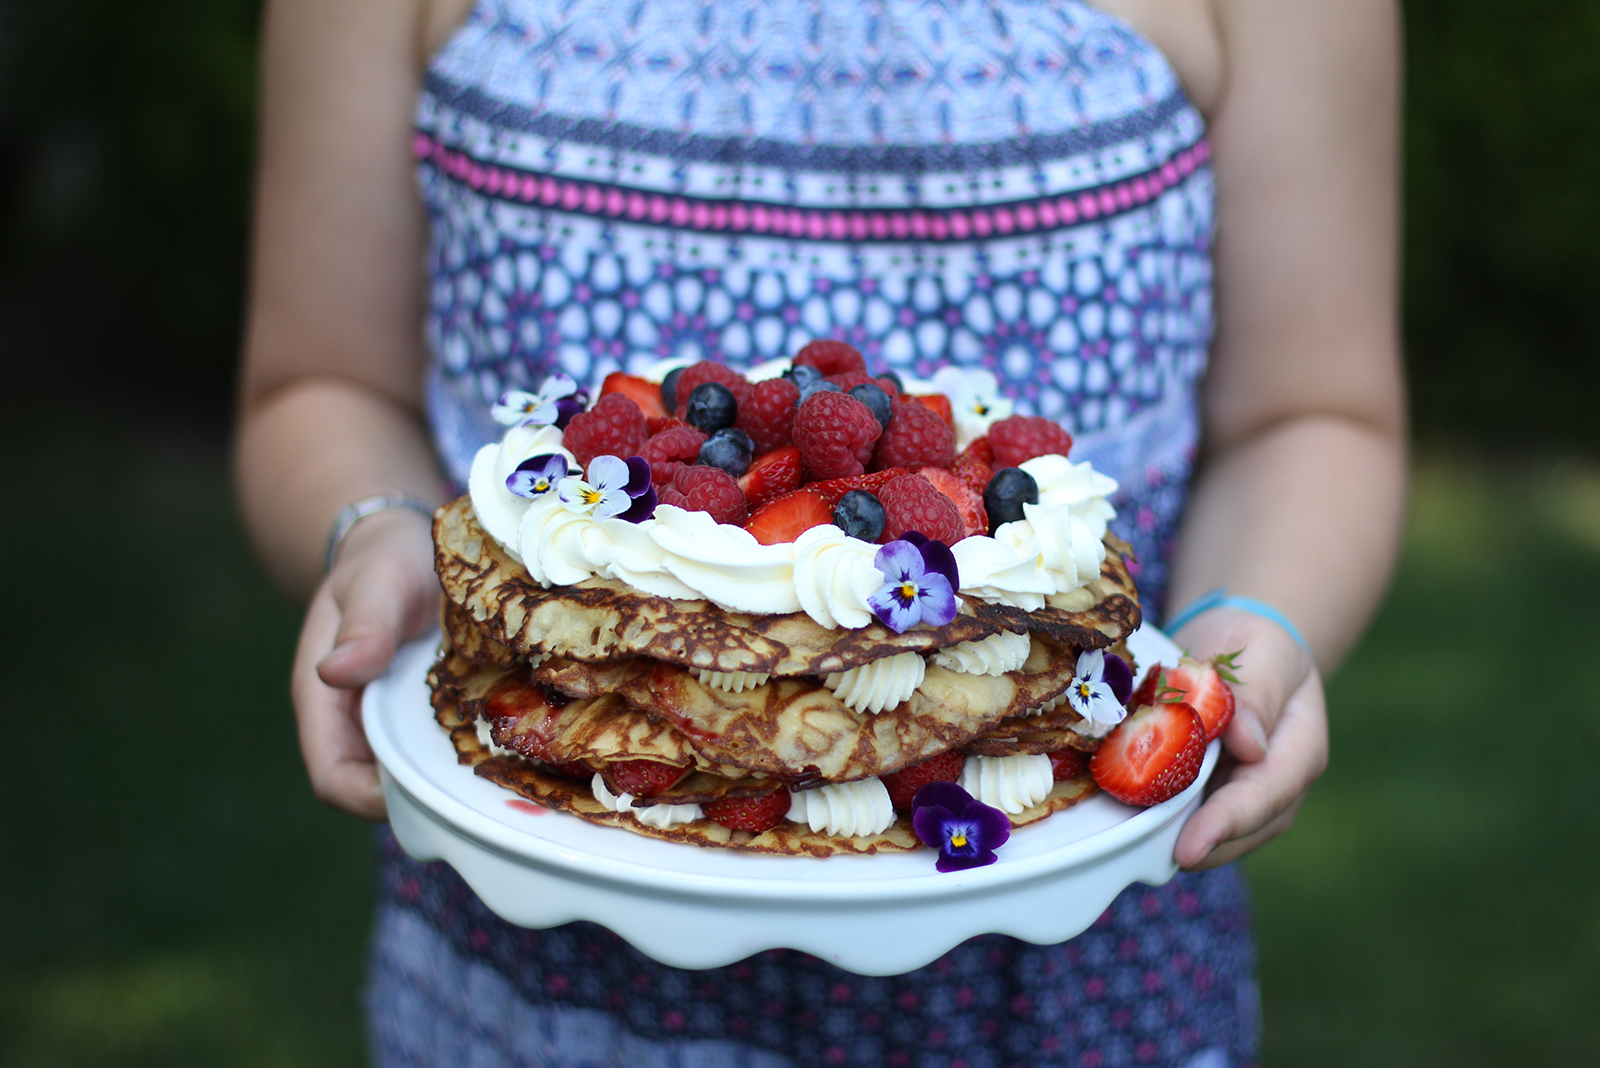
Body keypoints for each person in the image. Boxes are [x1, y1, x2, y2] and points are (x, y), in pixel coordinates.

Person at [236, 0, 1405, 1063]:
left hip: (1074, 974)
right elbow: (319, 378)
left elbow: (1314, 409)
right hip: (525, 975)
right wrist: (376, 532)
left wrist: (1237, 638)